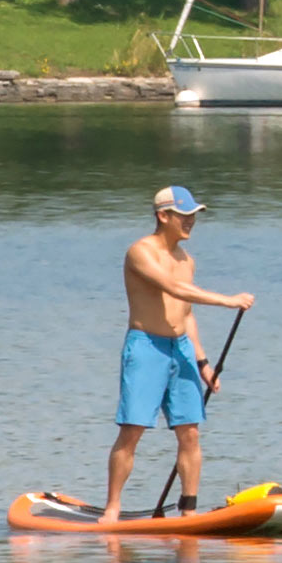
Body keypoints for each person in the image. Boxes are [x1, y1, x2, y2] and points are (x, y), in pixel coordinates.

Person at [109, 186, 252, 517]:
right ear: (163, 216)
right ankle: (113, 508)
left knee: (190, 433)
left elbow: (185, 313)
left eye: (193, 216)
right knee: (132, 431)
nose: (191, 222)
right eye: (184, 216)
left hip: (181, 349)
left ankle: (189, 510)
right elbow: (172, 287)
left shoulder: (187, 260)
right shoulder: (140, 252)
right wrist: (228, 300)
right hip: (146, 347)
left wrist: (203, 364)